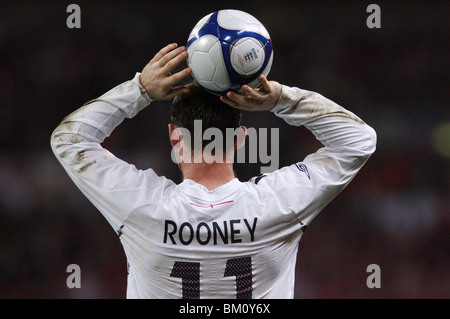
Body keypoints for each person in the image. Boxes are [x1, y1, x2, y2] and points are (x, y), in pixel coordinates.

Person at [51, 43, 376, 299]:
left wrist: (141, 90)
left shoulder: (141, 205)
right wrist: (280, 98)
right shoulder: (279, 203)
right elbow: (359, 141)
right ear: (239, 140)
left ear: (174, 137)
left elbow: (69, 139)